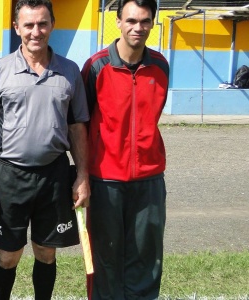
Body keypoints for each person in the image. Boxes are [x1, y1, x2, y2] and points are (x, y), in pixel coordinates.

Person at [0, 0, 90, 299]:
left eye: (42, 24)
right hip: (10, 176)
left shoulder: (69, 71)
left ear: (52, 24)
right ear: (17, 28)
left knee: (46, 252)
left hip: (54, 174)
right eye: (28, 25)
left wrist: (83, 176)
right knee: (9, 255)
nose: (35, 31)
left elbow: (77, 127)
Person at [81, 0, 169, 298]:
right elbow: (81, 124)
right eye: (131, 20)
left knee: (146, 257)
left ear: (153, 23)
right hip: (105, 180)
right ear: (117, 21)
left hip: (149, 180)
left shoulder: (160, 66)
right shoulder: (96, 67)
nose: (138, 27)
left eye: (144, 21)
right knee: (105, 259)